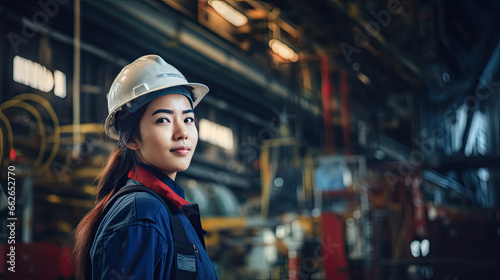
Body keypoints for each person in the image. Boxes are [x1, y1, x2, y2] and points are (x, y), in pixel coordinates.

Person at [72, 54, 219, 280]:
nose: (182, 133)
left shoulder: (165, 209)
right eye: (163, 120)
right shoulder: (141, 213)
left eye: (188, 119)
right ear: (132, 140)